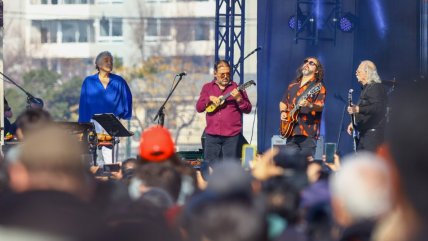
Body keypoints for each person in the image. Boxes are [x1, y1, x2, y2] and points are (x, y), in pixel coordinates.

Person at [196, 60, 252, 171]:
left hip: (232, 136)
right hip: (212, 135)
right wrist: (209, 99)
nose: (226, 76)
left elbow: (248, 109)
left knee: (230, 169)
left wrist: (239, 99)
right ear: (215, 73)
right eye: (222, 74)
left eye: (228, 74)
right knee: (209, 168)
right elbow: (199, 108)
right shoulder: (207, 88)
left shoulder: (237, 88)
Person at [78, 51, 133, 165]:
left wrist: (121, 114)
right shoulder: (89, 81)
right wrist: (82, 124)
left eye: (111, 61)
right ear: (97, 64)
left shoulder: (119, 81)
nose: (109, 63)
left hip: (112, 122)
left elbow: (127, 97)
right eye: (106, 61)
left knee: (110, 158)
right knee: (89, 155)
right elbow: (84, 103)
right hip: (94, 121)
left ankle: (111, 179)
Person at [279, 57, 327, 158]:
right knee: (290, 166)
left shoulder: (318, 87)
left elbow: (321, 107)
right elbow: (283, 102)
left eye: (311, 63)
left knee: (305, 167)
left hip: (307, 134)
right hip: (291, 132)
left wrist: (309, 105)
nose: (307, 64)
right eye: (305, 62)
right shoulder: (292, 85)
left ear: (317, 70)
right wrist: (283, 112)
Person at [347, 60, 387, 152]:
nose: (356, 73)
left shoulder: (376, 87)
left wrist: (358, 109)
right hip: (364, 135)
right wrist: (354, 122)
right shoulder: (366, 89)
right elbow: (367, 110)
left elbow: (378, 108)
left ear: (367, 72)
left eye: (358, 71)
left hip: (372, 136)